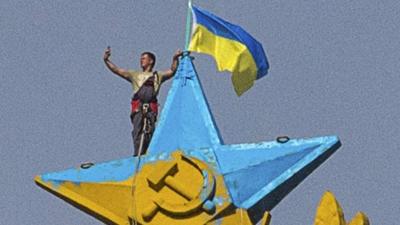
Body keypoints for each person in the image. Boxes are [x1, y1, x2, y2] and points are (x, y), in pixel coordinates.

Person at [103, 47, 183, 156]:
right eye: (141, 59)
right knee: (137, 131)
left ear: (151, 61)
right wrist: (106, 60)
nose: (141, 61)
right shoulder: (135, 75)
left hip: (150, 109)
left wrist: (175, 58)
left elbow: (172, 71)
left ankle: (148, 153)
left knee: (149, 132)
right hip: (138, 108)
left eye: (144, 58)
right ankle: (138, 154)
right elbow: (117, 70)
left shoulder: (158, 76)